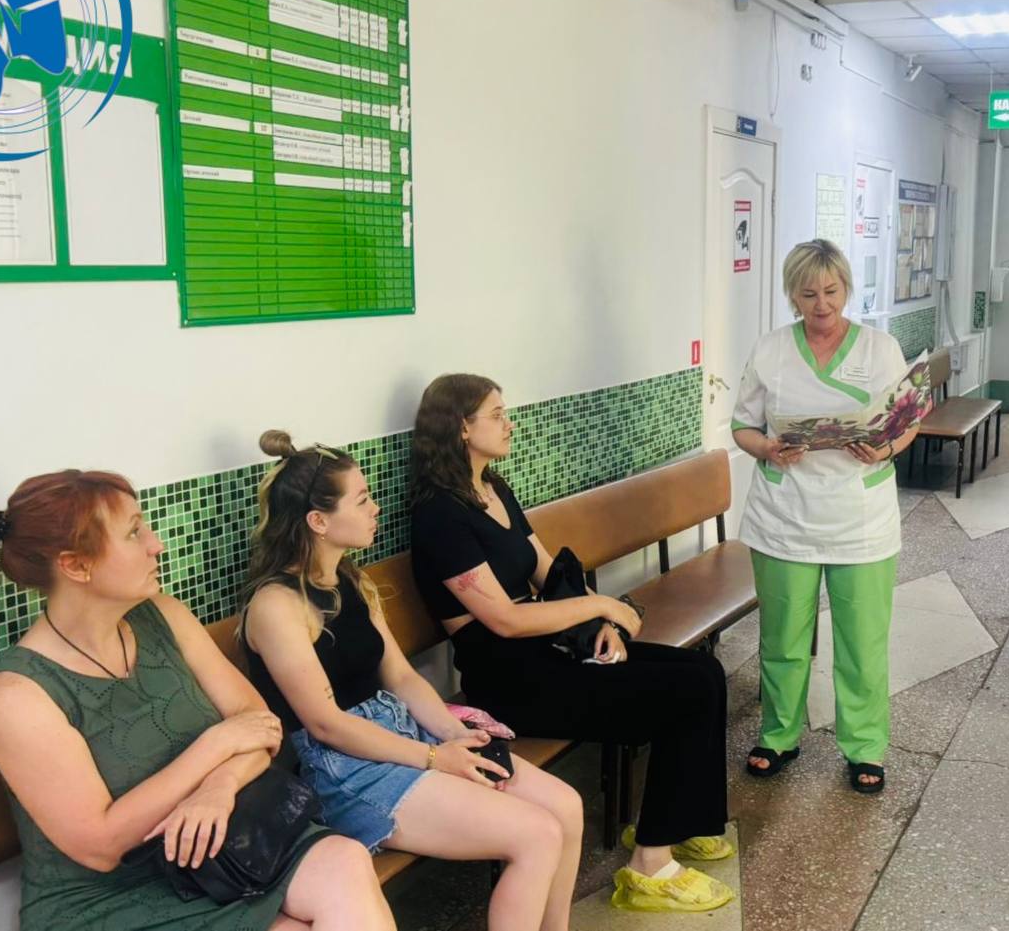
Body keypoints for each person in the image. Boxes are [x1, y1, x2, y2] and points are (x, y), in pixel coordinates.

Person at [0, 469, 395, 931]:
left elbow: (259, 723)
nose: (156, 544)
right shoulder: (18, 696)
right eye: (133, 533)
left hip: (225, 847)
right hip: (113, 898)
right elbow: (101, 846)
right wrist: (217, 744)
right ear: (76, 566)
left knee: (344, 860)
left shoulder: (163, 615)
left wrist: (219, 786)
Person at [409, 377, 734, 914]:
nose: (510, 423)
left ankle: (680, 821)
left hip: (551, 652)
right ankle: (650, 866)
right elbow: (505, 620)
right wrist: (601, 606)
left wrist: (601, 625)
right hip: (509, 680)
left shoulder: (494, 490)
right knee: (683, 692)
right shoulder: (440, 516)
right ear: (461, 427)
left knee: (702, 672)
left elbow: (546, 574)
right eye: (497, 414)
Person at [241, 431, 583, 931]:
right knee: (536, 834)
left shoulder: (350, 581)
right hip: (346, 770)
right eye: (362, 499)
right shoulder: (277, 606)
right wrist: (434, 758)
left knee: (566, 808)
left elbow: (400, 675)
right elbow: (326, 723)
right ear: (318, 521)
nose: (375, 508)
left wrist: (454, 735)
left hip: (403, 731)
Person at [731, 238, 920, 794]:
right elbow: (742, 426)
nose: (822, 305)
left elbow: (908, 420)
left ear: (847, 289)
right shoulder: (770, 350)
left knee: (863, 641)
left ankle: (865, 746)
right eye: (809, 294)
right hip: (785, 514)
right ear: (792, 294)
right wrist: (768, 448)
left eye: (832, 292)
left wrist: (884, 449)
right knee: (783, 638)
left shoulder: (881, 349)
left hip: (860, 514)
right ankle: (778, 736)